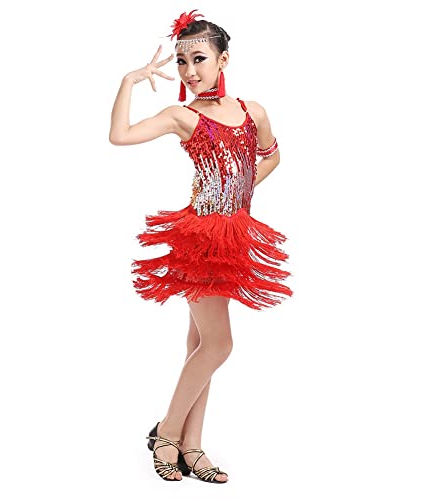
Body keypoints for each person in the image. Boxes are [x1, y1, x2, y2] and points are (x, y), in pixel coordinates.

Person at [109, 9, 293, 483]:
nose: (189, 71)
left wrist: (235, 193)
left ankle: (191, 445)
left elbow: (271, 156)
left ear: (222, 59)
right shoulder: (182, 116)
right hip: (200, 240)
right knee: (219, 344)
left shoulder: (253, 111)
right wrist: (130, 81)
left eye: (199, 59)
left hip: (234, 235)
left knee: (199, 344)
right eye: (182, 61)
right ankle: (167, 433)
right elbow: (120, 136)